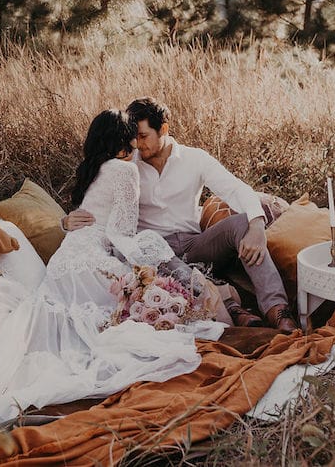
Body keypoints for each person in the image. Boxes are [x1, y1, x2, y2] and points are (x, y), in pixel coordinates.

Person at [0, 109, 224, 424]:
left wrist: (74, 229)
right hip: (91, 262)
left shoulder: (93, 170)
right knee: (110, 329)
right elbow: (121, 232)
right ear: (122, 138)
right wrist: (149, 255)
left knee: (65, 331)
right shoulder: (125, 171)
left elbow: (86, 219)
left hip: (62, 266)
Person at [63, 98, 299, 333]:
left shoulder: (194, 158)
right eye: (133, 136)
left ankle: (277, 310)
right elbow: (97, 200)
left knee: (243, 224)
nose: (137, 143)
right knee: (152, 248)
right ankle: (233, 309)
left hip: (195, 243)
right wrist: (67, 221)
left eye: (144, 136)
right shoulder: (126, 163)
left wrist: (257, 226)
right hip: (154, 251)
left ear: (163, 129)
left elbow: (235, 189)